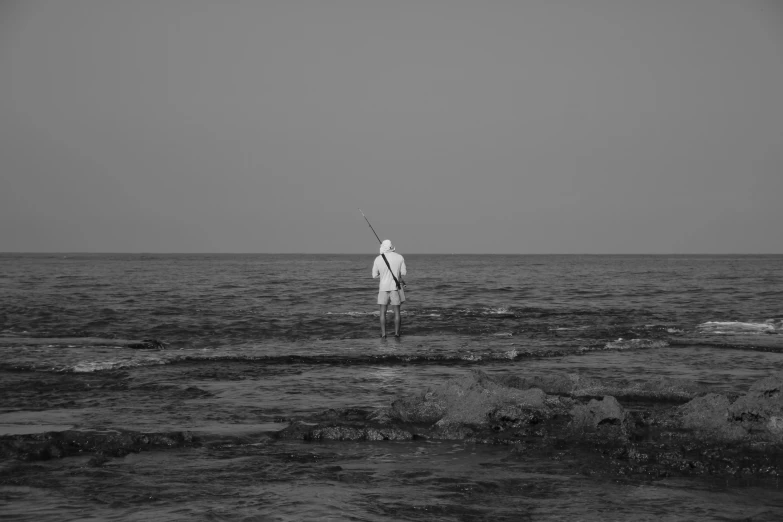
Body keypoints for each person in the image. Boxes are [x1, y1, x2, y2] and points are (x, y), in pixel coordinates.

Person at [372, 239, 406, 338]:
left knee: (382, 312)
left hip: (383, 288)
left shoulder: (378, 259)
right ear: (391, 247)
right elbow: (403, 273)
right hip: (394, 288)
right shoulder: (399, 257)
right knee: (397, 312)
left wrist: (382, 275)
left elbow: (374, 275)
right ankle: (397, 334)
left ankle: (383, 334)